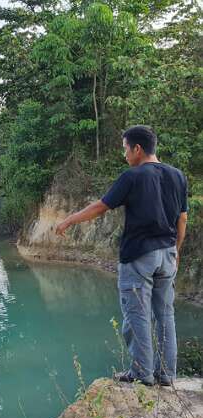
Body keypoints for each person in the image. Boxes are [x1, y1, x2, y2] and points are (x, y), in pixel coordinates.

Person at [55, 125, 188, 386]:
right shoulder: (178, 175)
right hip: (167, 254)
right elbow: (182, 218)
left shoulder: (133, 176)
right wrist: (177, 251)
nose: (124, 154)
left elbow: (100, 206)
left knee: (137, 315)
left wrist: (69, 220)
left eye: (125, 148)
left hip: (139, 256)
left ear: (137, 149)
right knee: (165, 315)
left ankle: (142, 374)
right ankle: (167, 375)